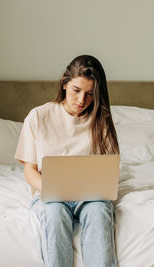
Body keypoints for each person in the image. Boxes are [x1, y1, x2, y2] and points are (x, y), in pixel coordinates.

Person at [14, 55, 119, 267]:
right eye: (76, 90)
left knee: (99, 212)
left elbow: (108, 167)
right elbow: (30, 170)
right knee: (54, 213)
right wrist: (52, 189)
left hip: (91, 196)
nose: (82, 101)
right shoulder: (38, 116)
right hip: (51, 195)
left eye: (90, 94)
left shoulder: (101, 120)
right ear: (64, 83)